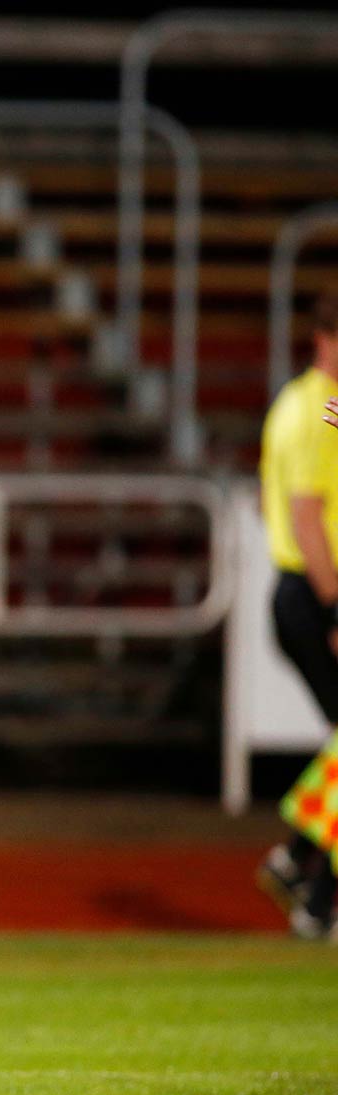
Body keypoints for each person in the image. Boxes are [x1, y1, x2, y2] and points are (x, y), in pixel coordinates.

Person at [258, 289, 338, 938]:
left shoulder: (291, 401)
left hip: (297, 591)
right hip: (315, 593)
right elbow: (308, 519)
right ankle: (314, 892)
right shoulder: (322, 412)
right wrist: (334, 606)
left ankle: (299, 861)